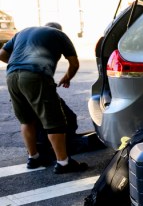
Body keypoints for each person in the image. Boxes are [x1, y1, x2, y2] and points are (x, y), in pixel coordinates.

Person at [0, 22, 88, 174]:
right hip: (35, 75)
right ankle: (63, 163)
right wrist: (67, 77)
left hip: (12, 76)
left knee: (27, 120)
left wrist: (19, 63)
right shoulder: (59, 35)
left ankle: (33, 158)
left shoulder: (23, 31)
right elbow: (74, 64)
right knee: (54, 120)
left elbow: (2, 54)